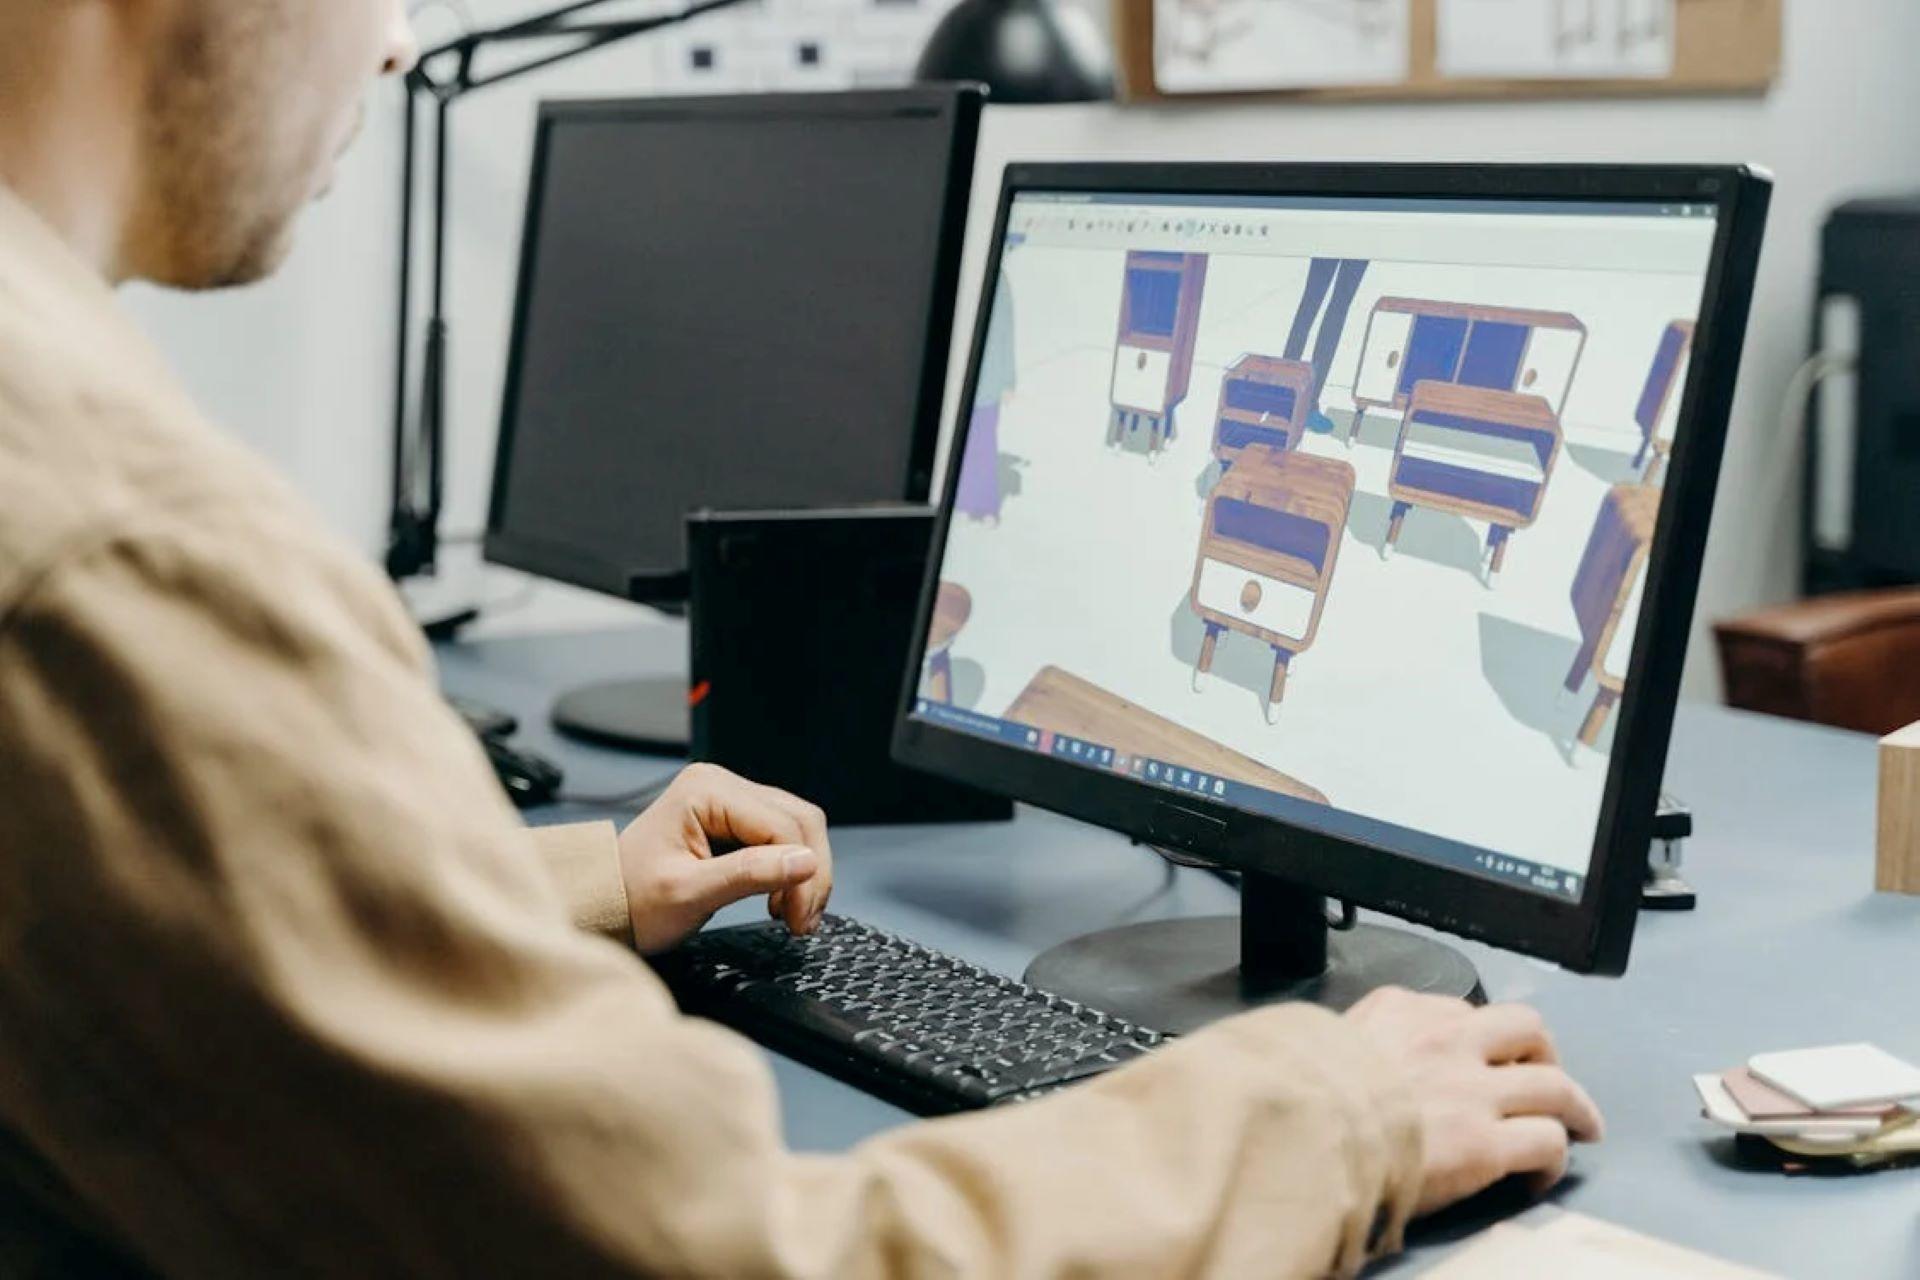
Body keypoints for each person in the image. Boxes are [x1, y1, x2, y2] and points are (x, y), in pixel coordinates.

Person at [0, 2, 1603, 1276]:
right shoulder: (121, 547)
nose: (399, 39)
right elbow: (735, 1260)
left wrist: (553, 884)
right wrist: (1336, 1121)